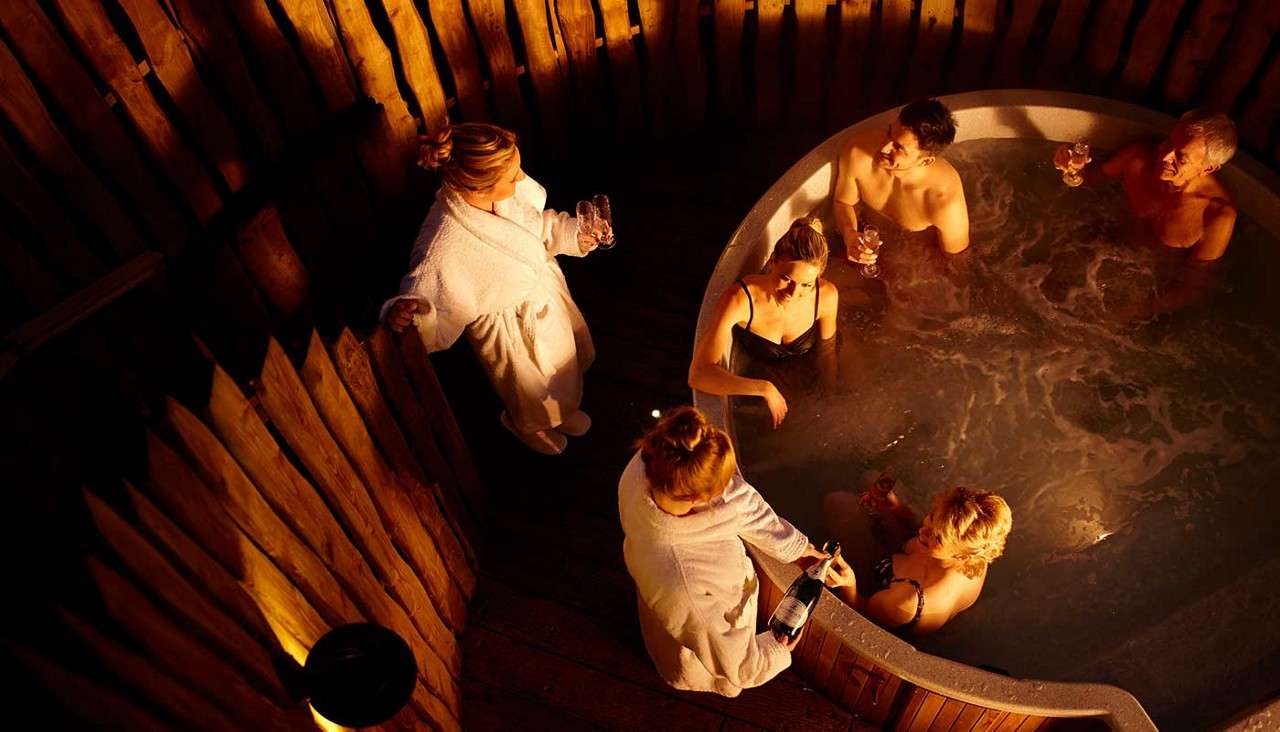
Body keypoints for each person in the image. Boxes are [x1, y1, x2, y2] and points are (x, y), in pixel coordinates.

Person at [382, 123, 609, 455]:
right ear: (478, 186)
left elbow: (538, 227)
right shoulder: (443, 246)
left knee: (563, 367)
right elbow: (426, 296)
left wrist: (577, 233)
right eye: (511, 176)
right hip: (510, 333)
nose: (520, 180)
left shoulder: (504, 193)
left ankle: (563, 412)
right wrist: (409, 313)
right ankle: (527, 425)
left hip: (543, 295)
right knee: (529, 390)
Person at [619, 406, 828, 696]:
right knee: (699, 664)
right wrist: (775, 649)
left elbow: (741, 502)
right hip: (695, 629)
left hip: (658, 582)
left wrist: (797, 549)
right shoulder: (682, 586)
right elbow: (740, 666)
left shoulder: (652, 464)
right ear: (699, 497)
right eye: (720, 487)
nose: (728, 489)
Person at [688, 217, 839, 427]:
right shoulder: (740, 300)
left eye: (806, 285)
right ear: (772, 261)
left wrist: (829, 396)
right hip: (760, 385)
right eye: (786, 278)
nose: (793, 293)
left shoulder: (827, 296)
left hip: (806, 379)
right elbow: (699, 374)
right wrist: (763, 388)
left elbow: (827, 351)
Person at [822, 478, 1012, 635]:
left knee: (837, 503)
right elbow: (927, 531)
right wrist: (897, 509)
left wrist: (849, 584)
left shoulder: (907, 601)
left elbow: (862, 616)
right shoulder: (975, 548)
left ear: (962, 555)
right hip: (905, 556)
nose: (923, 530)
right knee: (873, 478)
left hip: (880, 584)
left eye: (937, 536)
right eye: (931, 517)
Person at [1053, 109, 1237, 262]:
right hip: (1103, 246)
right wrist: (1072, 168)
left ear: (1208, 168)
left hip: (1150, 282)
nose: (1164, 156)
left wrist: (1136, 308)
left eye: (1181, 157)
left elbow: (1191, 287)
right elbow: (1089, 179)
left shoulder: (1217, 216)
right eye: (1169, 142)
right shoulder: (1137, 159)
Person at [834, 98, 970, 267]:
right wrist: (850, 235)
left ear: (925, 161)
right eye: (889, 132)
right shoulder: (858, 150)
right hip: (866, 243)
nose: (883, 147)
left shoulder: (943, 201)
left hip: (916, 262)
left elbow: (955, 262)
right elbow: (843, 201)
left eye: (898, 147)